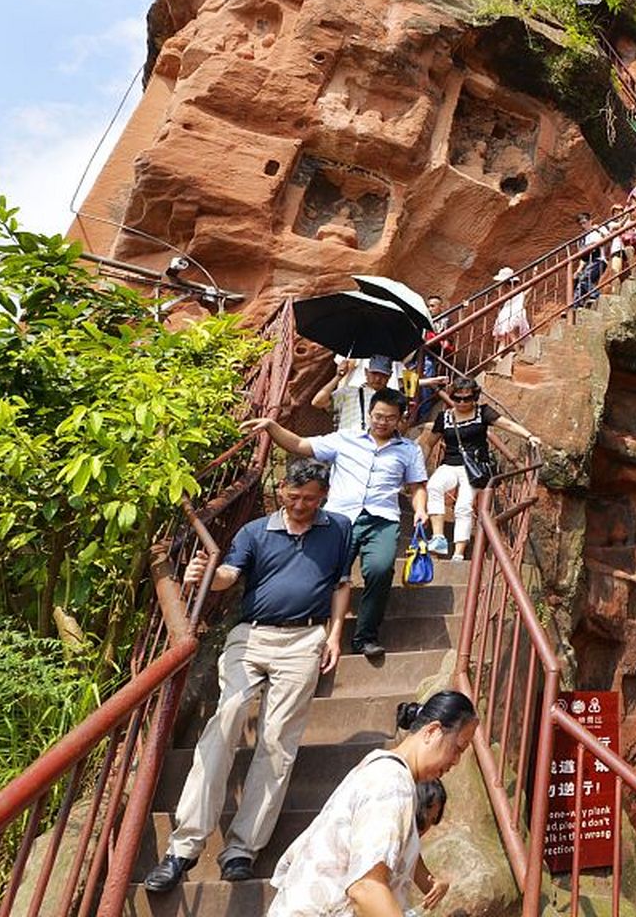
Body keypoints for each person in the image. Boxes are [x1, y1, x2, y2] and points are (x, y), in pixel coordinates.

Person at [143, 461, 354, 892]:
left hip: (305, 638)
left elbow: (340, 584)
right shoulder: (255, 531)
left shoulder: (338, 529)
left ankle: (241, 849)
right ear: (281, 490)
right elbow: (229, 575)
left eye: (309, 499)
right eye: (292, 497)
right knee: (227, 718)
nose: (299, 505)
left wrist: (334, 636)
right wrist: (205, 576)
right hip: (251, 636)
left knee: (278, 743)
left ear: (324, 495)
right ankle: (183, 848)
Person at [244, 389, 428, 658]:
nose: (382, 422)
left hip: (382, 519)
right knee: (326, 573)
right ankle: (317, 634)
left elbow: (417, 486)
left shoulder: (409, 450)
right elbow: (300, 445)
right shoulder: (345, 439)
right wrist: (271, 426)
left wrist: (421, 509)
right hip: (339, 518)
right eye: (377, 416)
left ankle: (365, 636)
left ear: (401, 419)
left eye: (389, 418)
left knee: (380, 569)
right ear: (369, 414)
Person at [265, 692, 476, 916]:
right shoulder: (391, 783)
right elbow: (366, 889)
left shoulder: (387, 773)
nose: (456, 761)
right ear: (432, 732)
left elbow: (390, 849)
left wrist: (429, 881)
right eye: (458, 748)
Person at [419, 379, 537, 559]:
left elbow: (507, 424)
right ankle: (438, 537)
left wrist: (528, 435)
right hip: (450, 464)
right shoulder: (445, 417)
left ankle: (458, 553)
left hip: (473, 468)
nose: (462, 403)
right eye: (457, 398)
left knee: (463, 506)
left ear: (475, 396)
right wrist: (420, 469)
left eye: (467, 398)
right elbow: (429, 443)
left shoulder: (483, 413)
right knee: (434, 486)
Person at [314, 356, 397, 434]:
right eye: (374, 373)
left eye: (383, 375)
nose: (378, 379)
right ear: (366, 372)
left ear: (389, 376)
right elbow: (318, 402)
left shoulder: (394, 398)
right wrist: (338, 376)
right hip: (347, 442)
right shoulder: (349, 392)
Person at [572, 211, 608, 310]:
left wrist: (598, 231)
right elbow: (583, 257)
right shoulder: (583, 238)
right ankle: (574, 307)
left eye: (584, 222)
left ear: (590, 221)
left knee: (584, 279)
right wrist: (578, 270)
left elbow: (608, 238)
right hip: (589, 262)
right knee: (579, 282)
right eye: (581, 224)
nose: (583, 226)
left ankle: (596, 295)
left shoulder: (598, 229)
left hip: (599, 260)